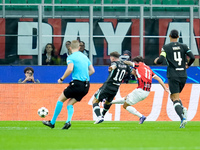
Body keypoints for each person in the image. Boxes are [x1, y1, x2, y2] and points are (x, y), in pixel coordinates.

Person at [42, 40, 95, 130]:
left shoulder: (71, 57)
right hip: (86, 86)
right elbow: (92, 71)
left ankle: (52, 122)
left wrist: (62, 79)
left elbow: (70, 69)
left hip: (77, 83)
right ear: (79, 48)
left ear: (70, 48)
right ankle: (68, 122)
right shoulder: (85, 57)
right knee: (70, 103)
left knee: (60, 100)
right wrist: (84, 76)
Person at [154, 29, 195, 128]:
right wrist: (188, 65)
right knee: (173, 97)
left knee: (174, 98)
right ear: (178, 37)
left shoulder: (166, 47)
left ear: (169, 36)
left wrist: (155, 61)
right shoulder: (184, 46)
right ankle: (182, 108)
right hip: (183, 75)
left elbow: (160, 60)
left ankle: (182, 117)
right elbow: (192, 57)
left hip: (173, 75)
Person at [111, 56, 169, 124]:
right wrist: (165, 88)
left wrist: (120, 62)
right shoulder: (148, 69)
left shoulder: (139, 65)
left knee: (125, 105)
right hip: (145, 91)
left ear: (137, 62)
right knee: (125, 99)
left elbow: (129, 63)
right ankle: (109, 102)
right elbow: (159, 78)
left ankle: (141, 116)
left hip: (141, 90)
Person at [92, 51, 131, 124]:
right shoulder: (125, 65)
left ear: (112, 58)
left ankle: (99, 117)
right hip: (116, 87)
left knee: (95, 101)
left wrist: (111, 68)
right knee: (107, 102)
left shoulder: (114, 63)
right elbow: (129, 74)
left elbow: (114, 66)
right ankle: (102, 115)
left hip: (108, 85)